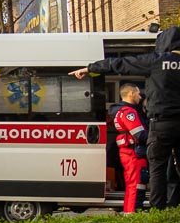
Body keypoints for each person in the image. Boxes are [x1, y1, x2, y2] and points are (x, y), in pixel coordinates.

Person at [71, 26, 180, 210]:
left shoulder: (155, 61)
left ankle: (158, 209)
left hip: (161, 124)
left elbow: (121, 64)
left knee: (157, 167)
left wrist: (91, 68)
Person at [109, 83, 148, 212]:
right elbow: (140, 135)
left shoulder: (121, 111)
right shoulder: (128, 112)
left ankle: (130, 214)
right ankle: (132, 215)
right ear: (131, 93)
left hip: (130, 152)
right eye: (138, 93)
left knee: (134, 185)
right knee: (136, 186)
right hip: (133, 153)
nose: (140, 96)